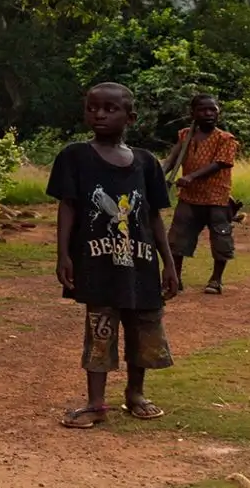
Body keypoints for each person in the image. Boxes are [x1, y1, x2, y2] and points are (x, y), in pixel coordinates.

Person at [50, 81, 181, 426]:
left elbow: (153, 216)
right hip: (96, 264)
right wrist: (63, 254)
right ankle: (96, 404)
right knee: (100, 328)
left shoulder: (146, 163)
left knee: (143, 328)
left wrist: (168, 263)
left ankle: (135, 394)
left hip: (140, 265)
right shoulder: (74, 156)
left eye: (110, 109)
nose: (100, 115)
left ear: (131, 117)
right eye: (92, 108)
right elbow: (68, 207)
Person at [165, 94, 239, 296]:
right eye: (203, 110)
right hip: (189, 197)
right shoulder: (185, 135)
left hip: (217, 197)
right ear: (193, 113)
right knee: (177, 238)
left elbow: (219, 164)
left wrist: (191, 177)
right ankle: (175, 278)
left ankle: (216, 280)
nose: (208, 114)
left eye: (212, 110)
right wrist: (160, 175)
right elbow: (173, 159)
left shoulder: (226, 139)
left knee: (221, 238)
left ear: (218, 112)